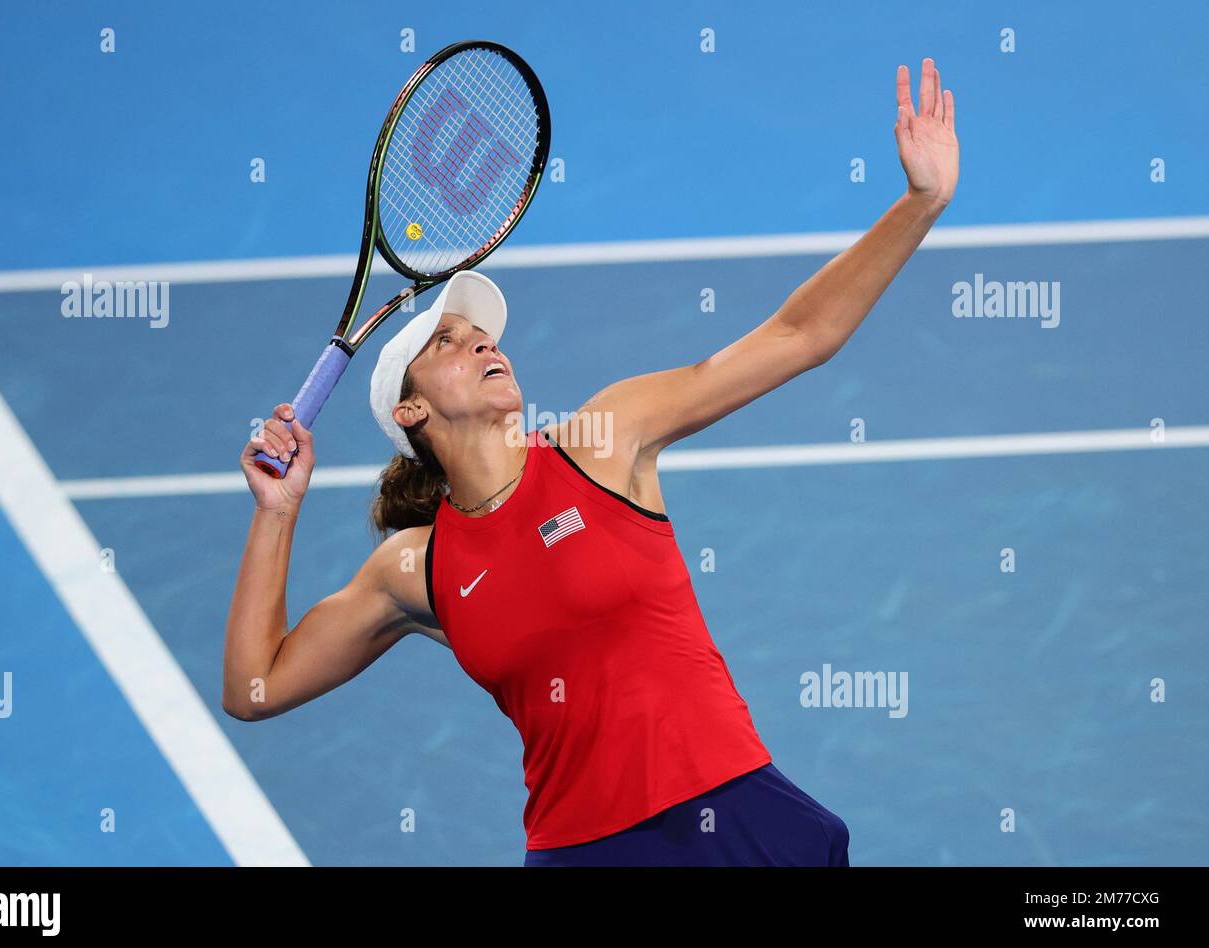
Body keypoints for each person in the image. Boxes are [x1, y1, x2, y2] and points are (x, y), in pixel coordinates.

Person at [223, 58, 959, 865]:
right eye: (448, 342)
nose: (480, 340)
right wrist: (278, 514)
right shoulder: (416, 570)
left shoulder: (603, 441)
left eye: (482, 333)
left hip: (730, 816)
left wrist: (919, 205)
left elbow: (796, 337)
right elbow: (255, 687)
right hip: (585, 851)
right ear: (411, 411)